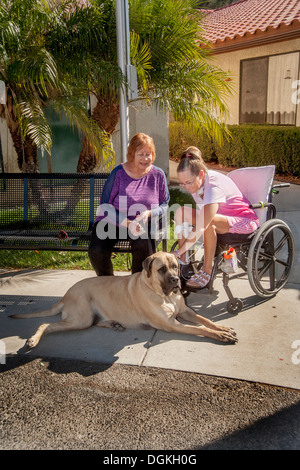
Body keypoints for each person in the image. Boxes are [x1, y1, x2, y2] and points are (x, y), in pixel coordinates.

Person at [173, 146, 259, 289]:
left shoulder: (212, 185)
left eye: (188, 182)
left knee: (208, 222)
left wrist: (176, 251)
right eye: (182, 183)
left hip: (244, 221)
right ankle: (184, 262)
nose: (186, 187)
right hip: (220, 219)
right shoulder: (196, 182)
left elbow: (203, 224)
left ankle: (207, 270)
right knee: (180, 212)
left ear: (201, 174)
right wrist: (182, 251)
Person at [88, 133, 169, 276]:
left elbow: (165, 204)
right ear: (132, 154)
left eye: (148, 154)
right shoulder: (118, 173)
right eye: (140, 154)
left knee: (143, 245)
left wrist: (149, 213)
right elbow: (105, 206)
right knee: (97, 250)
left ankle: (137, 287)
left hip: (142, 223)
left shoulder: (158, 175)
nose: (145, 158)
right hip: (114, 221)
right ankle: (108, 284)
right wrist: (127, 223)